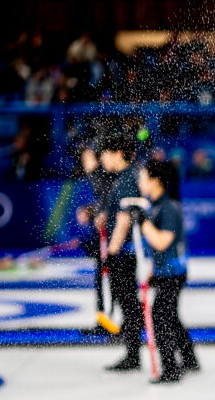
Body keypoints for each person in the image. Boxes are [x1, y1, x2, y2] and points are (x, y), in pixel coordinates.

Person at [134, 159, 199, 383]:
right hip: (165, 271)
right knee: (170, 316)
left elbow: (162, 242)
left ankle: (171, 368)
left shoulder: (168, 207)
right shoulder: (158, 205)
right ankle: (190, 359)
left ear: (156, 181)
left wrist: (142, 222)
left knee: (161, 317)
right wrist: (152, 270)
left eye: (143, 178)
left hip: (173, 273)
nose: (139, 182)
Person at [99, 134, 144, 372]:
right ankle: (132, 349)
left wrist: (112, 252)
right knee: (129, 302)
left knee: (129, 303)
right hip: (126, 252)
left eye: (105, 153)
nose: (101, 159)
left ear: (117, 153)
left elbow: (124, 220)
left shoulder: (127, 180)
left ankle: (133, 353)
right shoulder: (124, 178)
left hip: (125, 254)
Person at [80, 143, 118, 334]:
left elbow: (112, 204)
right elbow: (104, 203)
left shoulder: (104, 176)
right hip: (106, 238)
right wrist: (92, 210)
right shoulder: (99, 177)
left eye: (87, 158)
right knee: (103, 280)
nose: (84, 163)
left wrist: (100, 213)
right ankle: (105, 319)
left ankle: (112, 322)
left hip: (113, 240)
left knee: (110, 280)